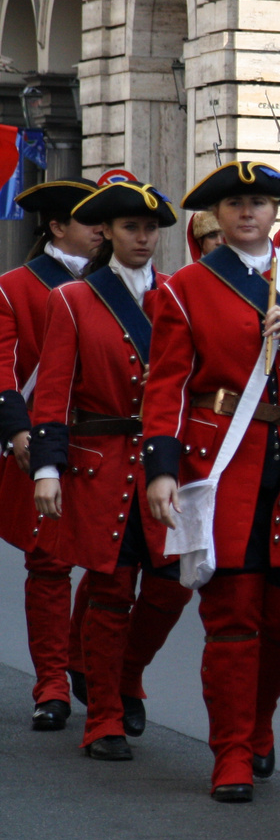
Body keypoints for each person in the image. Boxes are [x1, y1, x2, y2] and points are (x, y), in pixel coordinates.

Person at [143, 161, 280, 802]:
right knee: (232, 615)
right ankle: (232, 750)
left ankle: (258, 718)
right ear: (218, 214)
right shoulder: (185, 287)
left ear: (278, 214)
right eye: (235, 204)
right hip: (222, 463)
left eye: (260, 203)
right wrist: (162, 470)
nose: (248, 213)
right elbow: (167, 388)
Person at [28, 181, 194, 760]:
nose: (143, 238)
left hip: (165, 460)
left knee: (172, 587)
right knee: (110, 589)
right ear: (108, 234)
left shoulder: (176, 295)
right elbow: (52, 392)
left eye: (150, 229)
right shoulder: (73, 299)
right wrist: (47, 465)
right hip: (102, 465)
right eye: (130, 228)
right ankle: (103, 718)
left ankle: (126, 674)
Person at [0, 179, 101, 730]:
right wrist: (19, 432)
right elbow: (3, 368)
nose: (102, 231)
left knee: (116, 560)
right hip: (45, 439)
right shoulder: (15, 287)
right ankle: (52, 683)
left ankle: (81, 653)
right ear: (58, 227)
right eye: (91, 221)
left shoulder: (123, 286)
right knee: (49, 563)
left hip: (109, 441)